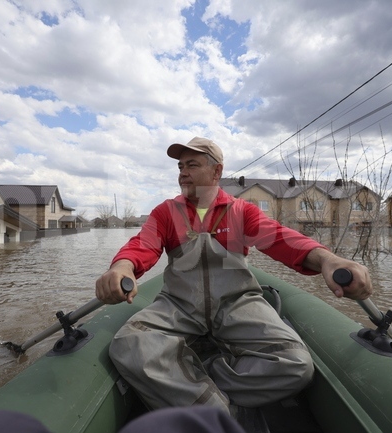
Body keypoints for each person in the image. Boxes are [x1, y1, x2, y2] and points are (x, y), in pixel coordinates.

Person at [96, 137, 372, 428]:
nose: (182, 173)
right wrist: (122, 267)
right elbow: (143, 244)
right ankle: (221, 415)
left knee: (296, 365)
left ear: (216, 172)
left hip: (237, 302)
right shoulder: (166, 212)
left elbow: (280, 238)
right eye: (180, 166)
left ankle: (197, 371)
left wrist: (327, 259)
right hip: (178, 304)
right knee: (129, 344)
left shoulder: (241, 211)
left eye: (192, 165)